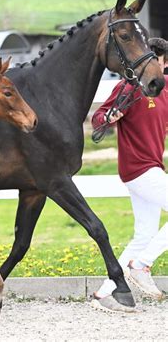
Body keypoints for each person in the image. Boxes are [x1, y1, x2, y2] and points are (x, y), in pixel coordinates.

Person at [91, 37, 168, 312]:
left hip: (151, 169)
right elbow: (97, 118)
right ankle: (142, 264)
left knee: (144, 234)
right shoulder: (128, 89)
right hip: (137, 168)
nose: (151, 68)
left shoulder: (166, 90)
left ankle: (104, 294)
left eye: (155, 62)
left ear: (164, 63)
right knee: (144, 241)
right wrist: (108, 118)